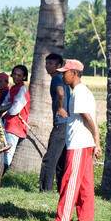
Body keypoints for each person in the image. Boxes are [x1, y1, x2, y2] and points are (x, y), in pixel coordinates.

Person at [46, 59, 101, 221]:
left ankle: (62, 219)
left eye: (65, 72)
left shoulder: (78, 92)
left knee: (69, 180)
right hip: (84, 143)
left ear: (74, 74)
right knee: (85, 183)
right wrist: (95, 142)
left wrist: (97, 141)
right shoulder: (82, 91)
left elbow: (88, 118)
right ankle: (85, 219)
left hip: (78, 144)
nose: (62, 75)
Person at [39, 53, 70, 193]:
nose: (47, 66)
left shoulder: (57, 78)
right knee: (61, 160)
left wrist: (60, 107)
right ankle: (61, 189)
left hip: (61, 123)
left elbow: (60, 93)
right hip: (67, 124)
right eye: (47, 63)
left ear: (59, 66)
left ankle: (45, 190)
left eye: (51, 63)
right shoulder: (63, 79)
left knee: (49, 159)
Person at [1, 65, 30, 173]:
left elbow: (14, 110)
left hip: (15, 126)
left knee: (8, 153)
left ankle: (1, 176)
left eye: (19, 75)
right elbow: (5, 102)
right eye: (14, 74)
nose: (16, 77)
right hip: (7, 123)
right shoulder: (13, 88)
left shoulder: (22, 90)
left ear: (24, 77)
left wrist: (7, 107)